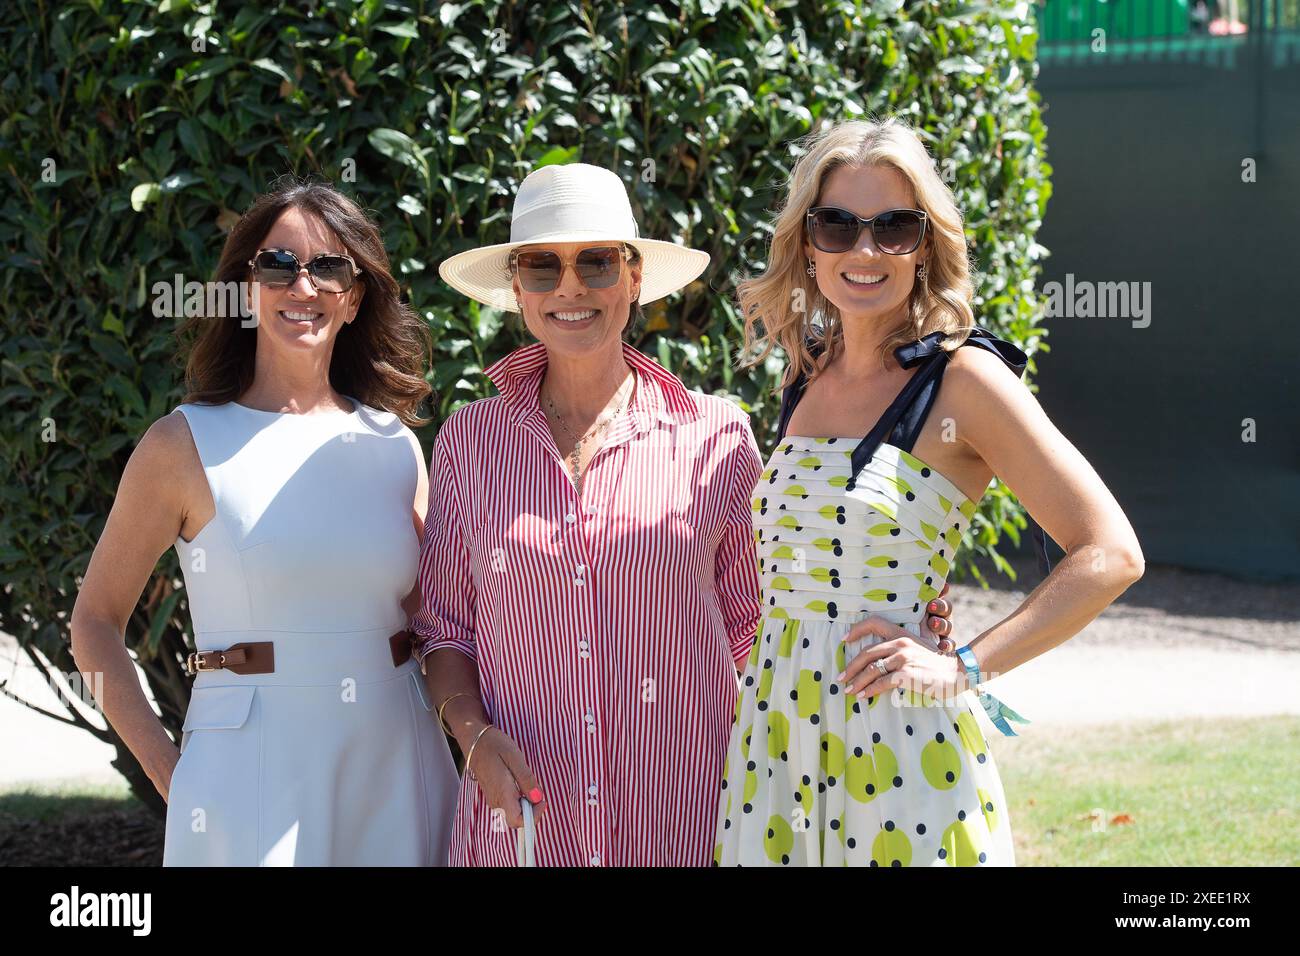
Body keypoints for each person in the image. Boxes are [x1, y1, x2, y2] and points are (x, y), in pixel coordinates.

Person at [416, 162, 957, 866]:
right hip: (522, 827)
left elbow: (771, 620)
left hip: (689, 821)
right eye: (543, 266)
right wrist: (474, 738)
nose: (570, 288)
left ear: (634, 278)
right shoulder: (469, 442)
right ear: (518, 288)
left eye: (597, 262)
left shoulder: (715, 435)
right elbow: (444, 630)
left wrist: (905, 606)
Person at [713, 118, 1145, 866]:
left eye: (894, 228)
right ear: (807, 243)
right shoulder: (804, 375)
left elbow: (1111, 553)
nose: (865, 251)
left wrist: (963, 666)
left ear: (925, 245)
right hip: (778, 741)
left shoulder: (965, 381)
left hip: (899, 745)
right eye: (838, 226)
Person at [70, 179, 459, 865]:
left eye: (328, 267)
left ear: (355, 297)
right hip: (248, 773)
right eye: (277, 265)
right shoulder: (181, 444)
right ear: (247, 290)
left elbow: (437, 621)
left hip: (400, 761)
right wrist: (170, 770)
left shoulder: (396, 445)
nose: (301, 286)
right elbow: (94, 624)